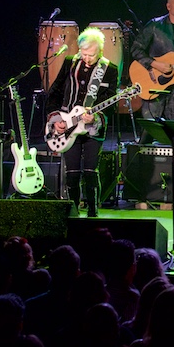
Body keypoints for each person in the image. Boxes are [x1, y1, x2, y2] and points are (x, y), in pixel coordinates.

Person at [46, 26, 119, 218]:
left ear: (100, 52)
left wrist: (96, 117)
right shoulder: (70, 63)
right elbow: (53, 93)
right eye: (84, 54)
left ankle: (93, 213)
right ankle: (74, 213)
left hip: (92, 128)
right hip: (67, 126)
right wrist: (56, 120)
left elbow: (110, 102)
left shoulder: (109, 69)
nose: (87, 58)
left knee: (90, 171)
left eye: (92, 55)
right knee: (72, 173)